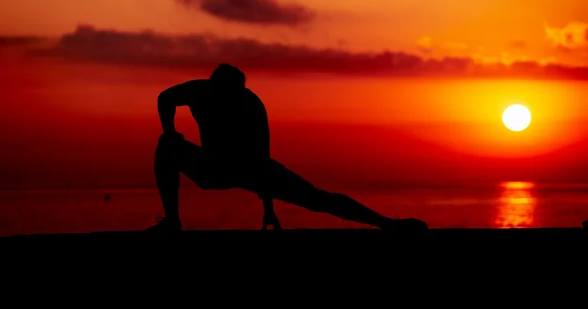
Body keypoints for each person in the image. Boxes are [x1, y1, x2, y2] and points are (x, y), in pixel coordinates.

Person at [148, 63, 427, 232]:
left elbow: (263, 157)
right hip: (212, 167)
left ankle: (388, 224)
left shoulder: (250, 104)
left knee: (318, 199)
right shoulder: (199, 91)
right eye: (225, 94)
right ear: (214, 86)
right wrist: (170, 131)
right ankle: (172, 221)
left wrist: (268, 207)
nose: (230, 99)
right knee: (167, 145)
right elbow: (165, 98)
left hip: (250, 167)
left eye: (234, 94)